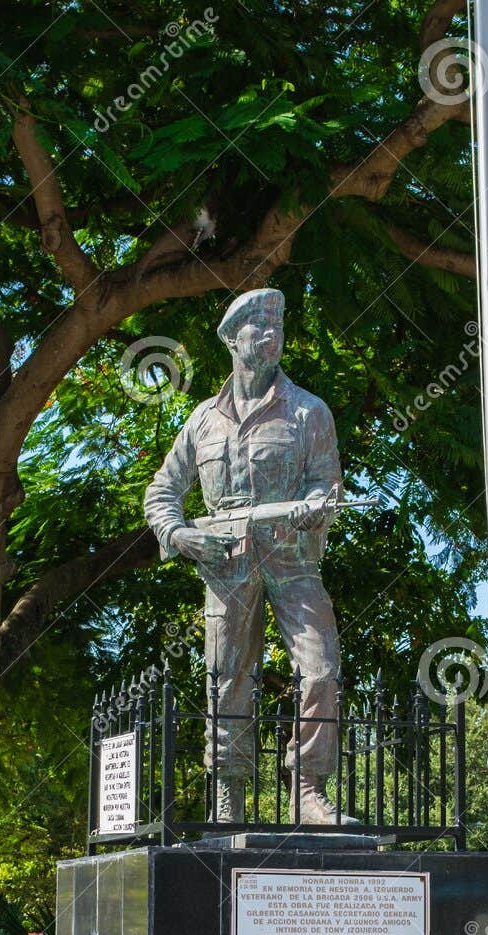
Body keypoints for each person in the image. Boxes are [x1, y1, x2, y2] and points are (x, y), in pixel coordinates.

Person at [143, 288, 345, 825]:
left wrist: (315, 509)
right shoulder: (203, 420)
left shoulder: (309, 412)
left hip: (292, 558)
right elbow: (162, 490)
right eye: (258, 326)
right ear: (233, 339)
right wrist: (179, 536)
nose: (272, 334)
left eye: (277, 325)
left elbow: (328, 484)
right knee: (228, 675)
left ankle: (307, 791)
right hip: (226, 563)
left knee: (321, 668)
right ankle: (228, 794)